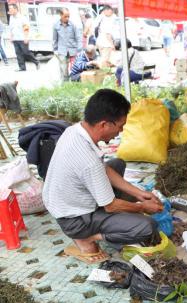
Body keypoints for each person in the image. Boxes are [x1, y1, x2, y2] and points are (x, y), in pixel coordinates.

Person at [42, 89, 164, 264]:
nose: (120, 131)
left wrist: (138, 193)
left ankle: (100, 223)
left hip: (63, 202)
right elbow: (111, 206)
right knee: (147, 226)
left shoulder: (74, 130)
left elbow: (104, 169)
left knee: (117, 164)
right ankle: (87, 238)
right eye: (120, 126)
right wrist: (142, 207)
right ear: (104, 125)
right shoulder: (87, 159)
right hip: (75, 219)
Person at [7, 4, 40, 72]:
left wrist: (26, 37)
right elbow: (11, 28)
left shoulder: (22, 17)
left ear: (15, 9)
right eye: (9, 8)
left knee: (26, 52)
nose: (9, 10)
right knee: (18, 53)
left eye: (11, 8)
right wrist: (11, 37)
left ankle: (36, 62)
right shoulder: (11, 18)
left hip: (22, 38)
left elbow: (26, 28)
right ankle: (22, 67)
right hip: (15, 38)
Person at [53, 8, 82, 82]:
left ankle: (75, 83)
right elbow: (55, 39)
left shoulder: (73, 25)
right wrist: (55, 50)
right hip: (62, 51)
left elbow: (78, 37)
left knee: (75, 69)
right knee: (63, 70)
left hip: (73, 50)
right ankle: (65, 86)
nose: (67, 18)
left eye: (68, 16)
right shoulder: (56, 26)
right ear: (60, 15)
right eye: (65, 16)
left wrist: (79, 49)